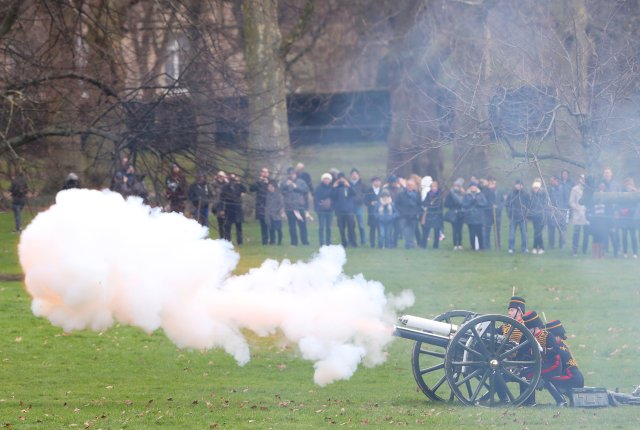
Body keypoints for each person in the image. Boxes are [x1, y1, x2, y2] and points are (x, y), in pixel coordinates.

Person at [522, 310, 564, 405]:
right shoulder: (528, 337)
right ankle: (526, 401)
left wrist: (542, 350)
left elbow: (556, 350)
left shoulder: (548, 336)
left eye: (529, 328)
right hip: (540, 364)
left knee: (529, 374)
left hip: (552, 364)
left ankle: (530, 402)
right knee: (524, 372)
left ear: (535, 327)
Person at [545, 320, 584, 398]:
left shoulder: (558, 348)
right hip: (576, 377)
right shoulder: (561, 345)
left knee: (547, 381)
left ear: (557, 336)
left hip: (572, 377)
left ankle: (561, 401)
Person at [281, 167, 309, 246]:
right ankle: (294, 242)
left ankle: (305, 242)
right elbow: (281, 191)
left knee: (302, 226)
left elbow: (306, 190)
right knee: (292, 227)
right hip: (289, 208)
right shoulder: (285, 183)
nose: (291, 176)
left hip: (300, 207)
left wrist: (296, 187)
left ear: (295, 174)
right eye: (289, 174)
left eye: (293, 174)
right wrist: (286, 185)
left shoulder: (301, 182)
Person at [332, 172, 358, 248]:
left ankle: (353, 242)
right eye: (340, 178)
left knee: (351, 227)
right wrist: (334, 187)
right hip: (340, 211)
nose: (341, 180)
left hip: (349, 210)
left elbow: (354, 193)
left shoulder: (349, 185)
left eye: (343, 178)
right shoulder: (336, 187)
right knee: (341, 228)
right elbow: (332, 196)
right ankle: (344, 242)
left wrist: (349, 186)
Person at [220, 173, 247, 245]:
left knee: (239, 226)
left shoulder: (239, 186)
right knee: (228, 226)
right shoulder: (225, 187)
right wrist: (222, 209)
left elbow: (245, 189)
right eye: (232, 180)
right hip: (229, 208)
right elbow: (222, 198)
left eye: (234, 180)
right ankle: (228, 241)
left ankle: (240, 241)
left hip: (237, 208)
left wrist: (239, 183)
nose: (233, 182)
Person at [395, 179, 421, 249]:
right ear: (406, 186)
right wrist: (401, 211)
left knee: (412, 231)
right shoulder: (401, 194)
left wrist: (416, 212)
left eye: (411, 185)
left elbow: (420, 205)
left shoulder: (417, 195)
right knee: (405, 230)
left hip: (413, 217)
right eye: (408, 185)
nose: (410, 187)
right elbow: (396, 204)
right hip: (403, 216)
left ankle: (410, 244)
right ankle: (408, 244)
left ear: (414, 186)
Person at [506, 179, 530, 254]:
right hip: (513, 218)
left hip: (523, 218)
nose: (519, 186)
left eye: (520, 184)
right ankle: (511, 248)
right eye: (517, 184)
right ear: (515, 185)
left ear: (522, 186)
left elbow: (528, 205)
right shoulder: (511, 194)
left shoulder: (526, 194)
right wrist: (509, 214)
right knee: (512, 234)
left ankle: (525, 248)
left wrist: (526, 216)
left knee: (524, 234)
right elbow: (507, 205)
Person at [462, 181, 487, 250]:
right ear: (470, 188)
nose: (473, 188)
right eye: (472, 186)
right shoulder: (466, 195)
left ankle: (481, 247)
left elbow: (485, 203)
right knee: (472, 233)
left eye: (475, 186)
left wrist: (478, 203)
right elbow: (464, 205)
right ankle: (473, 247)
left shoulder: (480, 194)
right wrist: (470, 202)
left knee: (480, 233)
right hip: (470, 217)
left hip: (479, 216)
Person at [569, 173, 589, 256]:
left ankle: (584, 250)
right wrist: (576, 208)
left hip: (586, 215)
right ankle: (575, 251)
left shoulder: (588, 189)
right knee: (576, 233)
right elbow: (571, 202)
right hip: (577, 215)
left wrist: (588, 209)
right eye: (581, 178)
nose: (582, 180)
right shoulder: (574, 189)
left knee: (586, 234)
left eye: (584, 179)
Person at [250, 167, 271, 245]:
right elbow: (251, 189)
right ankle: (265, 241)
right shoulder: (258, 183)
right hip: (261, 206)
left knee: (271, 223)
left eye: (266, 172)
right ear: (261, 173)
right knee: (263, 224)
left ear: (268, 173)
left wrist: (267, 183)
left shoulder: (271, 182)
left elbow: (275, 190)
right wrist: (259, 181)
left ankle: (272, 240)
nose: (264, 174)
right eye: (263, 172)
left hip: (270, 205)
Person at [421, 180, 444, 249]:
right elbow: (424, 203)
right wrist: (430, 204)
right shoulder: (428, 195)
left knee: (437, 232)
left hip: (437, 215)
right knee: (426, 231)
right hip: (429, 215)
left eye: (435, 187)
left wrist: (431, 205)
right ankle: (423, 245)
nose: (434, 188)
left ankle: (435, 246)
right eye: (432, 187)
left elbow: (438, 205)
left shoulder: (439, 195)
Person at [619, 177, 638, 258]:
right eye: (627, 185)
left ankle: (635, 253)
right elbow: (619, 203)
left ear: (632, 185)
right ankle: (625, 252)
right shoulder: (622, 193)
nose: (628, 186)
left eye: (629, 184)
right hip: (624, 218)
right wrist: (621, 210)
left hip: (632, 218)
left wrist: (629, 210)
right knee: (624, 236)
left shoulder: (635, 193)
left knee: (633, 236)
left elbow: (637, 205)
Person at [314, 173, 334, 246]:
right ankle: (321, 242)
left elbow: (334, 197)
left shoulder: (332, 188)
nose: (326, 180)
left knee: (328, 227)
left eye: (328, 179)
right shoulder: (318, 188)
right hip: (321, 210)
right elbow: (316, 198)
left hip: (330, 210)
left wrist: (331, 205)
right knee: (321, 226)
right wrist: (319, 205)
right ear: (322, 180)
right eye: (325, 179)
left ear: (330, 180)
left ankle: (329, 242)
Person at [445, 178, 465, 250]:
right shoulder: (450, 194)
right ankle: (455, 245)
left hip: (461, 213)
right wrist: (453, 205)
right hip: (453, 213)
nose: (456, 187)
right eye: (455, 185)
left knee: (460, 230)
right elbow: (446, 204)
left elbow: (464, 203)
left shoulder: (462, 193)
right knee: (454, 230)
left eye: (458, 186)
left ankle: (459, 244)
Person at [350, 168, 368, 245]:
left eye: (355, 174)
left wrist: (360, 199)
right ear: (351, 175)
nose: (354, 175)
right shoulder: (348, 184)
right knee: (351, 224)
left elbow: (365, 195)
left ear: (358, 175)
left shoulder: (363, 184)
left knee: (361, 225)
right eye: (353, 174)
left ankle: (363, 240)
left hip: (359, 206)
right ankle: (352, 240)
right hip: (350, 207)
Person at [529, 180, 547, 254]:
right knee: (537, 232)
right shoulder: (531, 196)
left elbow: (545, 205)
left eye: (537, 188)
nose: (535, 189)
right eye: (534, 188)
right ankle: (537, 247)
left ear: (539, 188)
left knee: (538, 232)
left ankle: (538, 247)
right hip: (534, 216)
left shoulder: (543, 196)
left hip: (541, 216)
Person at [365, 176, 382, 248]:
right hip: (372, 213)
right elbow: (365, 201)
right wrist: (370, 203)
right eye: (375, 181)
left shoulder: (383, 190)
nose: (377, 182)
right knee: (372, 229)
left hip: (381, 213)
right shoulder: (369, 190)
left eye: (378, 181)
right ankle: (372, 244)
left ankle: (380, 244)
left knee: (380, 229)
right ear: (372, 182)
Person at [264, 180, 284, 245]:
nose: (268, 188)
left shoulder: (278, 195)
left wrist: (275, 211)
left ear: (273, 187)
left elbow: (281, 204)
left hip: (276, 216)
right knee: (271, 229)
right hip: (269, 215)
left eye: (269, 186)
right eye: (268, 186)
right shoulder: (267, 195)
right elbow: (266, 205)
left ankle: (279, 242)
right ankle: (272, 241)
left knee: (279, 229)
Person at [211, 171, 229, 239]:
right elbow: (212, 190)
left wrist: (227, 181)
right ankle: (222, 237)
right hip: (218, 205)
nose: (221, 177)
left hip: (226, 204)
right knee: (220, 222)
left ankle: (226, 237)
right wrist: (215, 180)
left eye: (222, 176)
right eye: (220, 176)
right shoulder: (215, 184)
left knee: (226, 222)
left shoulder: (227, 184)